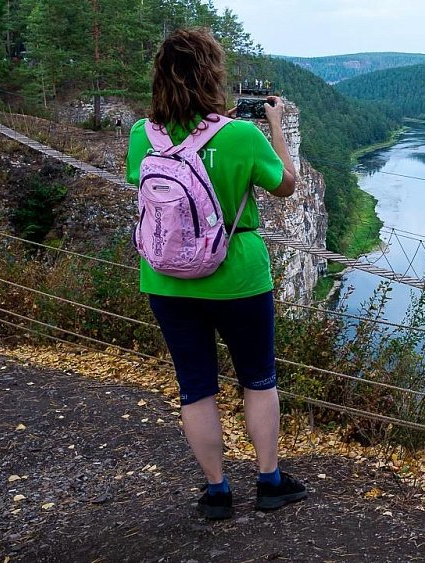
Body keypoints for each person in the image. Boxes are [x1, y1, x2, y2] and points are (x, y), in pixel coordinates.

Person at [126, 28, 304, 520]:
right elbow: (286, 186)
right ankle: (269, 482)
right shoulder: (241, 134)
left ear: (160, 78)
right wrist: (276, 127)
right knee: (258, 379)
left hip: (165, 278)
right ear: (214, 76)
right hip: (238, 278)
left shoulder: (144, 134)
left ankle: (217, 492)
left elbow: (139, 184)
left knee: (196, 386)